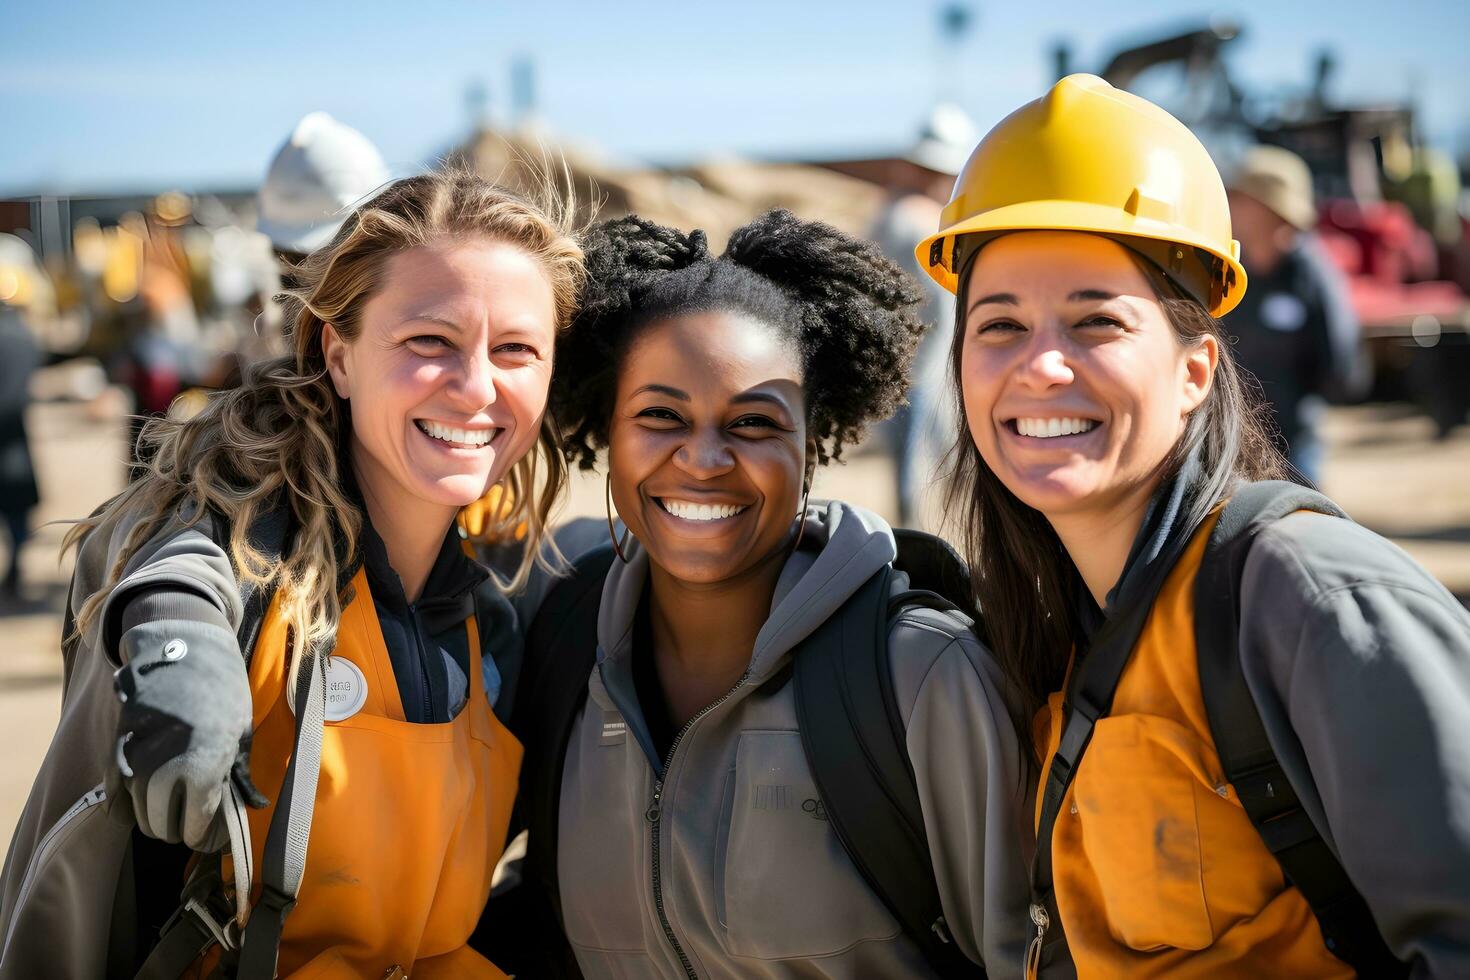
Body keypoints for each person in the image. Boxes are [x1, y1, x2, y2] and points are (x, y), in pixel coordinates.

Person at [916, 73, 1470, 977]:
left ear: (1195, 371)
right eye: (999, 324)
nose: (1041, 365)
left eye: (1097, 321)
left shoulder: (1309, 601)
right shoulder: (1048, 627)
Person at [0, 168, 584, 979]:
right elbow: (188, 569)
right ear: (337, 355)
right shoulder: (248, 563)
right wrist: (180, 652)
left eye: (517, 349)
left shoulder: (508, 591)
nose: (477, 385)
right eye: (430, 341)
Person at [499, 210, 1033, 978]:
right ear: (608, 432)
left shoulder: (920, 678)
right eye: (659, 416)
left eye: (753, 422)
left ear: (811, 446)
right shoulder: (561, 644)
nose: (705, 458)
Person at [1226, 144, 1365, 484]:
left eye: (1241, 198)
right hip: (1233, 437)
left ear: (1270, 208)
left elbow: (1341, 359)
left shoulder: (1311, 273)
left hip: (1295, 441)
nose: (1231, 206)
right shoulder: (1231, 271)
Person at [870, 104, 975, 525]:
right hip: (924, 368)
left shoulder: (889, 216)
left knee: (912, 465)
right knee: (924, 468)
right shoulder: (920, 224)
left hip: (897, 365)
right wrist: (936, 373)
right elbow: (945, 312)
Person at [0, 286, 41, 600]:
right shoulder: (25, 336)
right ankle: (15, 567)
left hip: (10, 432)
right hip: (14, 435)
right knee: (16, 512)